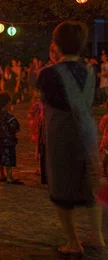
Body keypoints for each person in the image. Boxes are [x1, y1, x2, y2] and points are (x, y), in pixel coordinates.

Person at [37, 21, 104, 256]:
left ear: (56, 45)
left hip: (62, 136)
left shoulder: (47, 74)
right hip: (87, 135)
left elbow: (46, 98)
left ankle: (73, 242)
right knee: (90, 187)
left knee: (61, 190)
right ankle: (97, 237)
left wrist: (54, 63)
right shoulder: (89, 72)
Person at [0, 91, 23, 184]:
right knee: (8, 158)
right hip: (8, 140)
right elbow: (16, 127)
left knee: (0, 157)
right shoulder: (9, 116)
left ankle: (2, 175)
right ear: (7, 103)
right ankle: (9, 177)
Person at [99, 113, 108, 177]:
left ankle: (104, 171)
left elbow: (101, 127)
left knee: (106, 154)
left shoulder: (105, 117)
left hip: (107, 140)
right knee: (106, 154)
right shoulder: (106, 117)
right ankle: (104, 171)